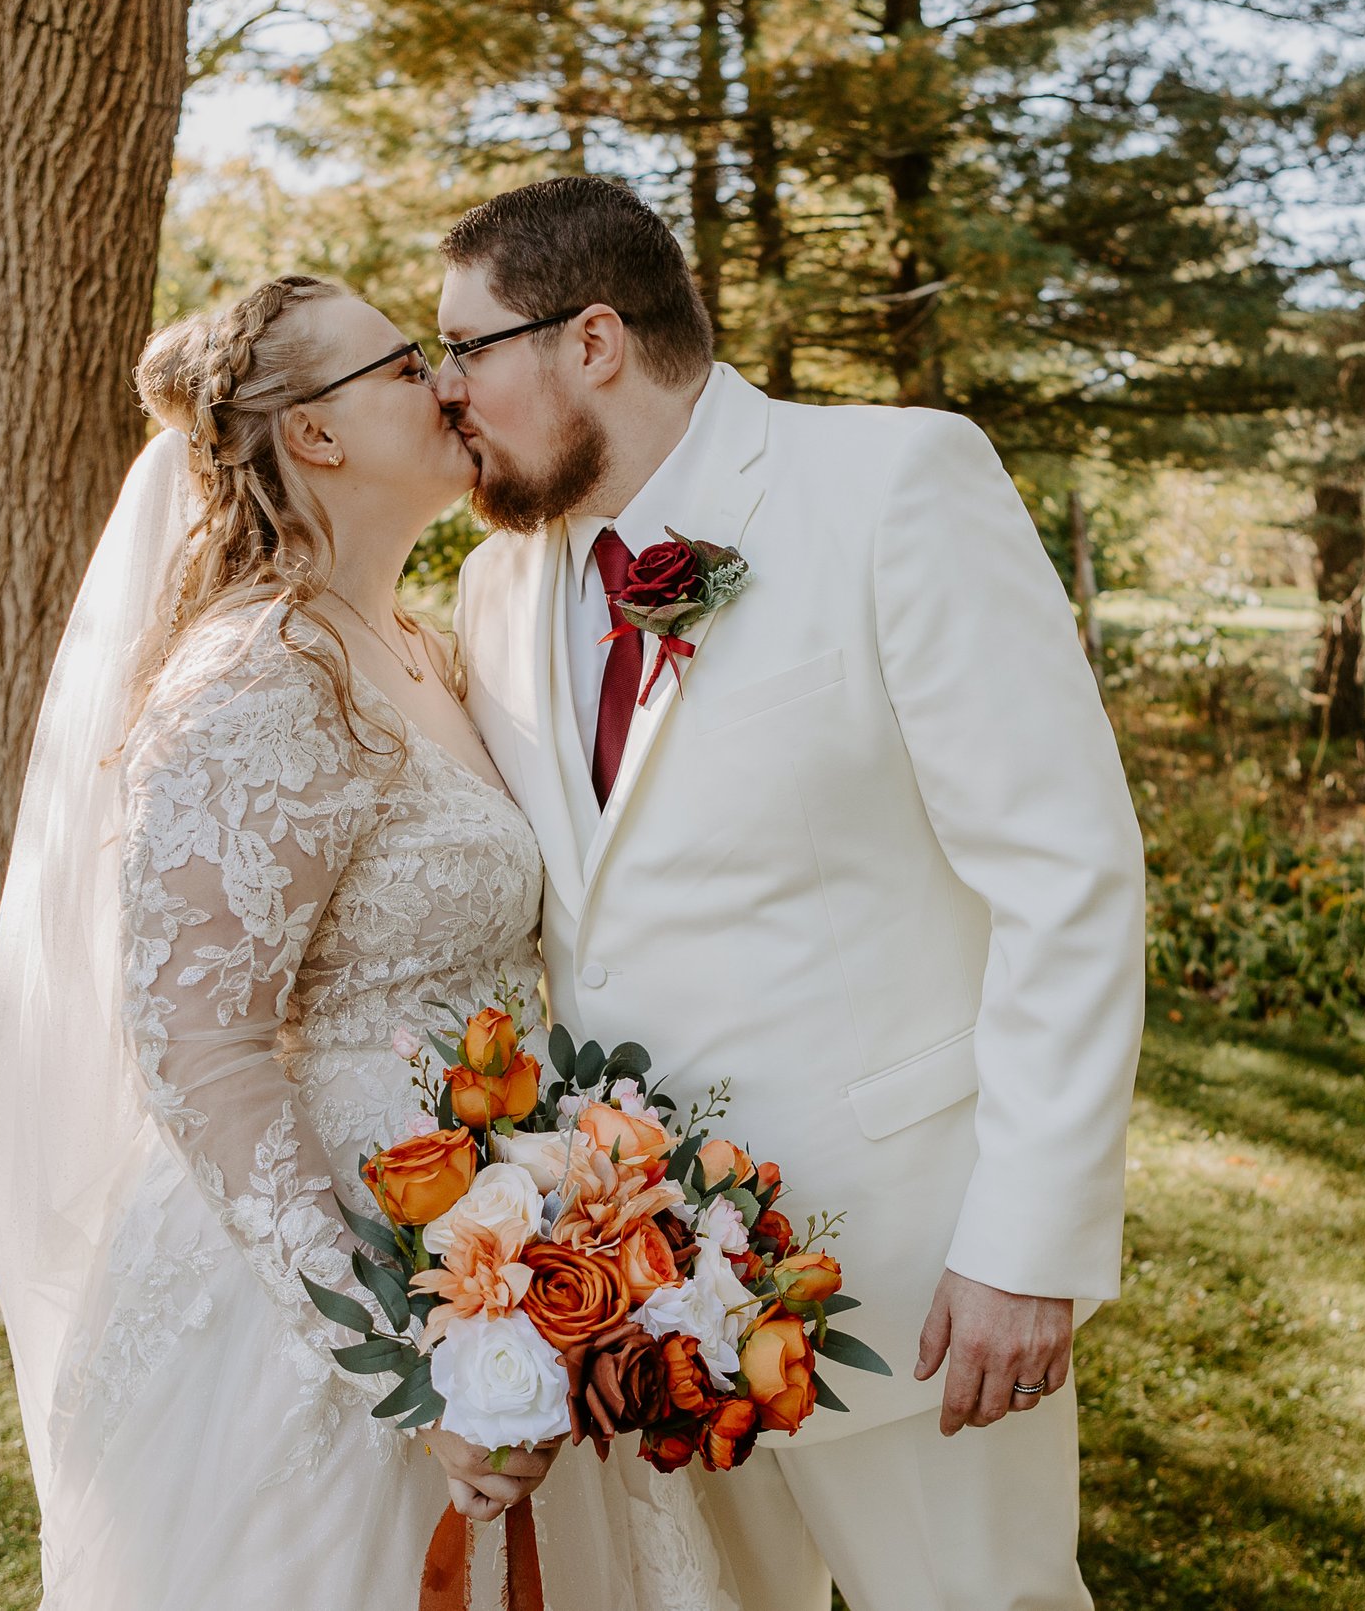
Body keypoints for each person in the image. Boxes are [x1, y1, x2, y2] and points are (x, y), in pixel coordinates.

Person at [0, 274, 734, 1609]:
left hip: (500, 1237)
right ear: (312, 437)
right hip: (338, 1291)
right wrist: (400, 1357)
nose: (448, 383)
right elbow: (198, 1043)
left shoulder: (411, 644)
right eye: (400, 367)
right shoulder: (261, 678)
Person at [446, 177, 1146, 1611]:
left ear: (593, 341)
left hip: (916, 1267)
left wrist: (1030, 1239)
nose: (443, 393)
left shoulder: (895, 485)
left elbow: (1065, 876)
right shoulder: (494, 588)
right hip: (640, 1304)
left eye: (467, 350)